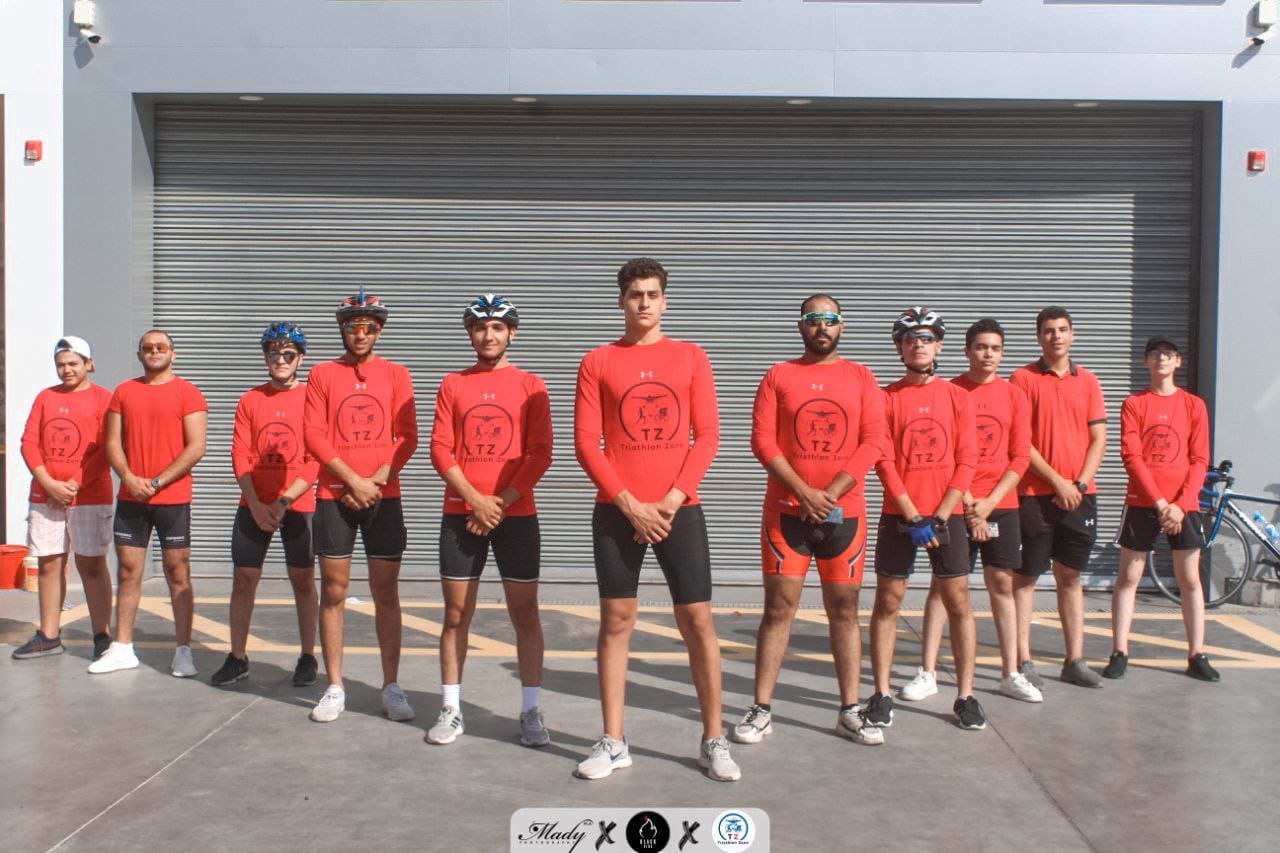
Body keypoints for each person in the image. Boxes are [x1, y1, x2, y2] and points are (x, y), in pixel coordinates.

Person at [573, 257, 739, 781]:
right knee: (616, 621)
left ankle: (713, 739)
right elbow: (587, 442)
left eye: (651, 294)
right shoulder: (598, 361)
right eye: (634, 294)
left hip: (678, 510)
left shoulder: (691, 357)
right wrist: (629, 504)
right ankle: (614, 741)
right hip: (617, 512)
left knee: (698, 622)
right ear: (620, 301)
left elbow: (707, 435)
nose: (643, 302)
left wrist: (670, 499)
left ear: (665, 301)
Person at [731, 295, 885, 748]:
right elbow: (762, 440)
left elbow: (874, 441)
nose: (822, 327)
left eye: (830, 319)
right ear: (801, 325)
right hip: (787, 515)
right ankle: (761, 709)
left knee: (845, 611)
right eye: (814, 319)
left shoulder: (861, 377)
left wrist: (829, 493)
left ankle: (849, 710)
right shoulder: (779, 375)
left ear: (842, 326)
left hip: (844, 516)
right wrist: (803, 492)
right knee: (778, 610)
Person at [427, 295, 554, 747]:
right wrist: (474, 501)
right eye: (480, 327)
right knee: (456, 614)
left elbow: (541, 452)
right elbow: (440, 448)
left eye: (498, 327)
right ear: (470, 334)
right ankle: (451, 708)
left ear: (511, 333)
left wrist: (497, 503)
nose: (489, 335)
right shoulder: (453, 383)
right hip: (461, 514)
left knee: (525, 613)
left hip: (516, 515)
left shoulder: (531, 384)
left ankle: (531, 710)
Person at [899, 320, 1042, 704]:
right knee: (943, 586)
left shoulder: (1014, 396)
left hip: (1001, 504)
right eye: (980, 347)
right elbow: (948, 455)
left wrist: (989, 503)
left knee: (1002, 584)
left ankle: (1011, 672)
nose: (987, 354)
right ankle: (927, 672)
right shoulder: (950, 392)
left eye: (995, 348)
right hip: (954, 506)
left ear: (1002, 353)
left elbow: (1020, 456)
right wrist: (966, 504)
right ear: (966, 351)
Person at [865, 307, 987, 733]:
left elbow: (967, 459)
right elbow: (883, 459)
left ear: (939, 346)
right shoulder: (885, 398)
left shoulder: (958, 398)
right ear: (899, 348)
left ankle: (966, 695)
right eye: (909, 338)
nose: (918, 344)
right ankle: (881, 693)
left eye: (927, 338)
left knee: (959, 602)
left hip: (945, 515)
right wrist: (912, 513)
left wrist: (939, 515)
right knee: (888, 602)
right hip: (899, 514)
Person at [303, 288, 418, 723]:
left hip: (383, 496)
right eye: (353, 327)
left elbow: (407, 434)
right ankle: (335, 685)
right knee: (333, 590)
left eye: (369, 327)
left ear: (379, 331)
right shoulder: (322, 373)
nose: (360, 334)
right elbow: (313, 433)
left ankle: (391, 685)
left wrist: (378, 479)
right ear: (343, 330)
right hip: (335, 494)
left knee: (385, 592)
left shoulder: (396, 373)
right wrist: (351, 479)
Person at [91, 330, 208, 676]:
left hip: (172, 498)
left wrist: (157, 482)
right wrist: (128, 477)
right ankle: (122, 647)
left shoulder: (188, 393)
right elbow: (112, 442)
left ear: (173, 353)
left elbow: (196, 447)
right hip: (132, 497)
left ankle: (183, 651)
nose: (154, 351)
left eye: (161, 347)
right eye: (148, 347)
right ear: (139, 354)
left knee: (178, 573)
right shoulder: (124, 392)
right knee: (128, 572)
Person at [211, 323, 320, 688]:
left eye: (288, 354)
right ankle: (237, 656)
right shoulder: (251, 399)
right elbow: (240, 453)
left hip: (299, 504)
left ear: (300, 358)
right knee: (244, 579)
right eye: (274, 353)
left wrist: (285, 500)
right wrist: (256, 504)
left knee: (303, 579)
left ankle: (308, 656)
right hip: (253, 504)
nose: (281, 360)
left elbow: (315, 459)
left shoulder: (312, 398)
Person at [1106, 335, 1218, 682]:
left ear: (1178, 362)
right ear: (1146, 362)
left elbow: (1200, 458)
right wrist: (1160, 503)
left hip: (1185, 507)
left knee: (1190, 579)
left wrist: (1181, 505)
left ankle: (1196, 654)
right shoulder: (1134, 404)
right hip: (1143, 503)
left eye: (1168, 354)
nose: (1161, 359)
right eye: (1154, 354)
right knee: (1129, 577)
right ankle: (1120, 651)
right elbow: (1132, 456)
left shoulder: (1194, 405)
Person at [1011, 307, 1107, 689]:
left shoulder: (1090, 381)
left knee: (1071, 577)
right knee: (1026, 578)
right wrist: (1057, 482)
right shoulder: (1022, 378)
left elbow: (1099, 438)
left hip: (1080, 497)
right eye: (1049, 330)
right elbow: (1021, 441)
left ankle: (1075, 661)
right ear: (1038, 337)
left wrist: (1078, 485)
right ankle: (1023, 661)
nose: (1056, 336)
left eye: (1063, 329)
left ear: (1073, 335)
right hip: (1034, 495)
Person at [13, 336, 114, 661]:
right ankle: (49, 635)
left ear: (88, 364)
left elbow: (107, 449)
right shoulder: (46, 397)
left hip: (89, 497)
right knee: (49, 563)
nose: (66, 370)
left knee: (92, 565)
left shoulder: (104, 399)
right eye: (60, 364)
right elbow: (29, 442)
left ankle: (102, 636)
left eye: (73, 363)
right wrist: (47, 482)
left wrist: (73, 484)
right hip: (45, 496)